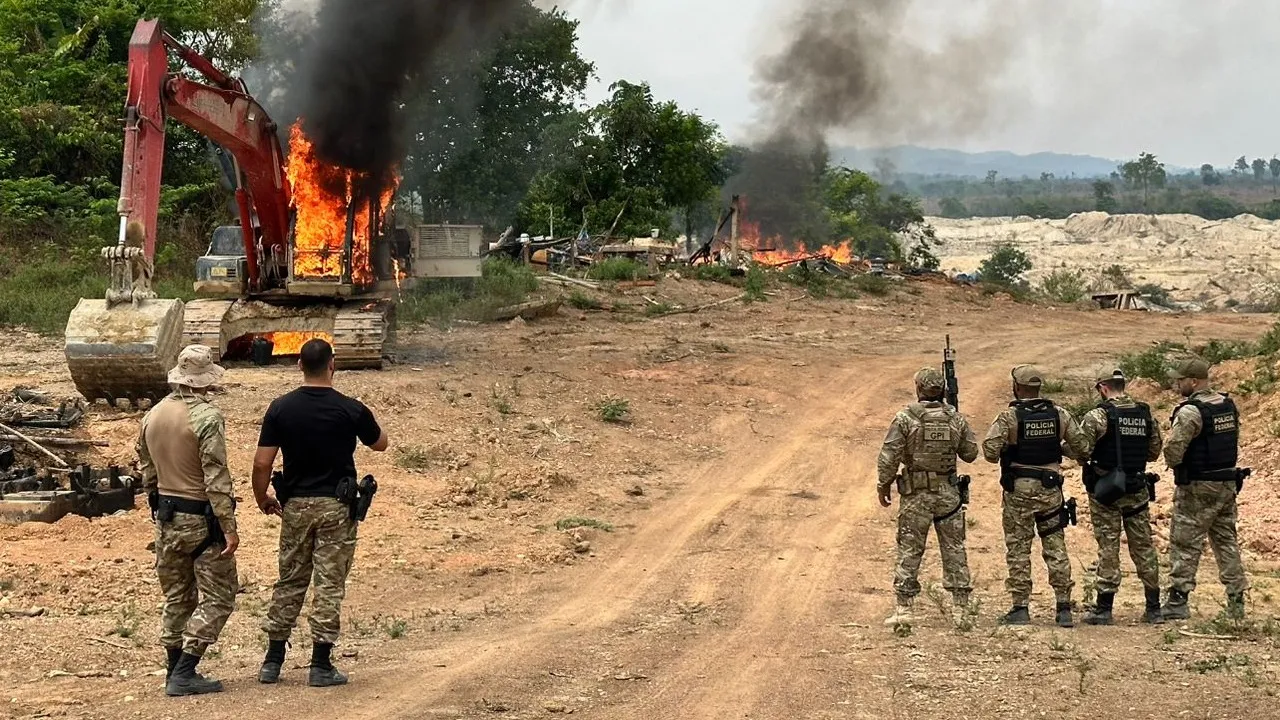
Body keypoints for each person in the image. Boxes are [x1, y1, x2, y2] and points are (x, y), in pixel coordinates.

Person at [253, 339, 388, 687]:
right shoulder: (350, 409)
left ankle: (272, 661)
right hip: (336, 507)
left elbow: (262, 461)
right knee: (329, 584)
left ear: (299, 365)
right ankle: (320, 664)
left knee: (290, 581)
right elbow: (380, 443)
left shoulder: (280, 408)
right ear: (332, 365)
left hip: (295, 506)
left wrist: (261, 497)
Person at [136, 344, 239, 696]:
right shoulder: (207, 418)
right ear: (204, 380)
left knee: (177, 597)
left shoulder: (153, 415)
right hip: (201, 519)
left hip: (166, 516)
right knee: (221, 597)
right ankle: (185, 669)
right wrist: (228, 526)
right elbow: (216, 477)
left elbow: (147, 470)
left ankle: (173, 670)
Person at [983, 365, 1090, 628]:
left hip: (1018, 490)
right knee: (1055, 545)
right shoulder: (1060, 414)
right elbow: (1083, 448)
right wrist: (1057, 447)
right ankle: (1063, 606)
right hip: (1050, 489)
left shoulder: (1009, 417)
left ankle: (1020, 607)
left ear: (1017, 388)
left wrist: (1011, 445)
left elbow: (989, 452)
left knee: (1019, 547)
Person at [877, 368, 980, 627]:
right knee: (954, 549)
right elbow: (970, 453)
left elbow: (889, 455)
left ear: (918, 389)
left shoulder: (905, 418)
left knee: (910, 548)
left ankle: (904, 610)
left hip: (916, 494)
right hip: (948, 494)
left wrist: (884, 485)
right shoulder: (955, 419)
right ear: (943, 390)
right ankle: (961, 611)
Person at [1162, 356, 1248, 621]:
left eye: (1180, 380)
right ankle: (1236, 600)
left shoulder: (1190, 411)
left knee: (1185, 541)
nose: (1177, 384)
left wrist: (1177, 465)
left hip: (1198, 485)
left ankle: (1178, 599)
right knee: (1226, 541)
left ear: (1194, 381)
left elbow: (1173, 450)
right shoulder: (1226, 405)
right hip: (1226, 482)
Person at [1078, 369, 1164, 625]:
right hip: (1136, 487)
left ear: (1103, 388)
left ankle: (1104, 608)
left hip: (1106, 490)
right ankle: (1154, 607)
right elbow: (1154, 452)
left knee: (1108, 546)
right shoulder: (1145, 414)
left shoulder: (1097, 416)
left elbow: (1082, 450)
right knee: (1143, 546)